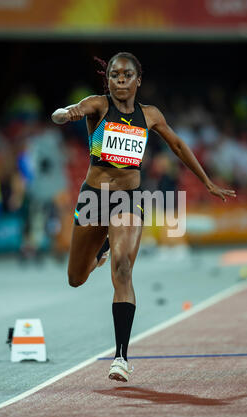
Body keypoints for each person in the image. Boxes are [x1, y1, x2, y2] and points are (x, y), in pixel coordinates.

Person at [51, 52, 236, 382]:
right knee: (75, 278)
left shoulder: (150, 115)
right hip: (94, 199)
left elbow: (178, 146)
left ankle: (121, 357)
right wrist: (68, 113)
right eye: (114, 75)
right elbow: (67, 111)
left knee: (123, 268)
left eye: (127, 75)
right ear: (107, 80)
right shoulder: (97, 105)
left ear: (139, 80)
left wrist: (207, 182)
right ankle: (99, 254)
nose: (120, 80)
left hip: (129, 200)